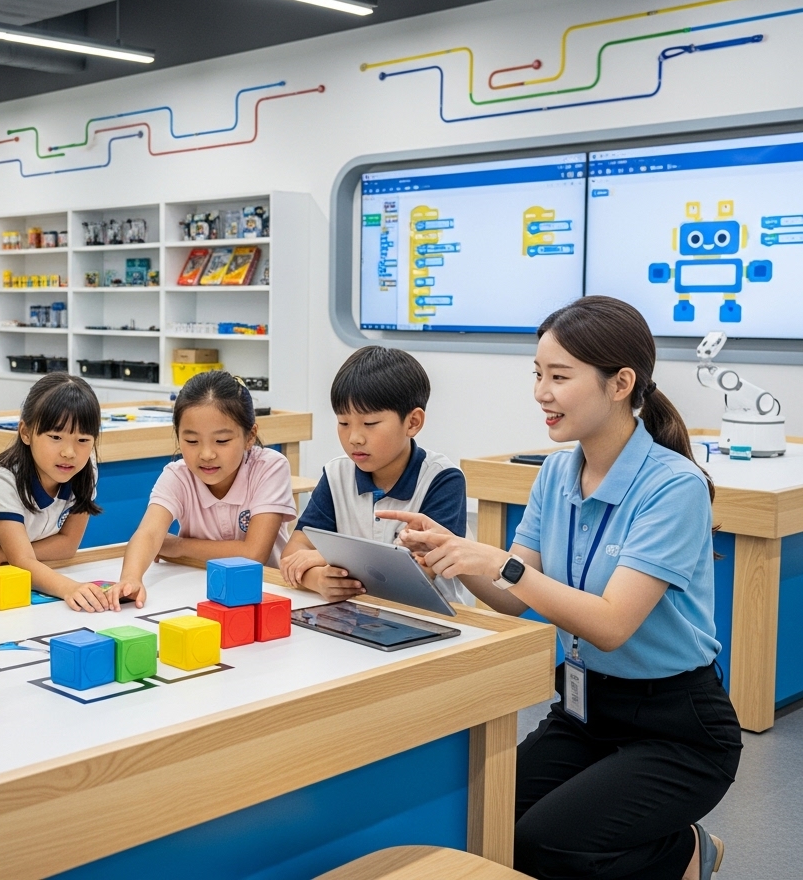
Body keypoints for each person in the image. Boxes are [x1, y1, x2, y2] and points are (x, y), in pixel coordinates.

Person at [385, 296, 740, 880]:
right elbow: (510, 597)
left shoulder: (672, 486)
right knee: (488, 822)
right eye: (537, 374)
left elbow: (609, 623)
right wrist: (451, 553)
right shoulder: (556, 471)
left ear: (620, 383)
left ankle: (685, 853)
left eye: (559, 376)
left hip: (677, 728)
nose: (540, 392)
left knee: (548, 846)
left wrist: (501, 562)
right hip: (582, 707)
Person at [279, 345, 469, 604]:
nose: (354, 438)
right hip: (355, 614)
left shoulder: (442, 479)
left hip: (430, 616)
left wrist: (326, 557)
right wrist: (317, 579)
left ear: (412, 422)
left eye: (370, 424)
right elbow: (294, 554)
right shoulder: (337, 474)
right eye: (343, 423)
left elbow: (417, 571)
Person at [112, 371, 297, 608]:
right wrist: (130, 579)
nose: (206, 454)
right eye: (191, 441)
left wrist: (177, 546)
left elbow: (253, 556)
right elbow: (148, 534)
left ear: (250, 436)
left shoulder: (269, 467)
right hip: (200, 588)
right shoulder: (177, 475)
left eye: (221, 441)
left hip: (266, 592)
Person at [0, 373, 108, 612]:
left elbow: (68, 545)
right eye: (55, 437)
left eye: (83, 439)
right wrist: (69, 588)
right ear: (25, 433)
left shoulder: (87, 468)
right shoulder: (3, 479)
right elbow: (22, 560)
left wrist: (0, 553)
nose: (69, 452)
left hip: (18, 569)